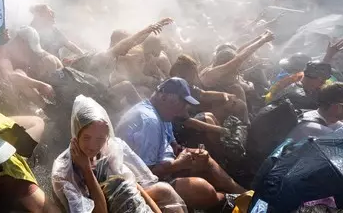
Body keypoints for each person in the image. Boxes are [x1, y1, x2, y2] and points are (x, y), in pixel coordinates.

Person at [116, 78, 246, 210]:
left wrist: (184, 152)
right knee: (202, 190)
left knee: (204, 159)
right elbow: (146, 174)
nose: (183, 109)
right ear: (163, 97)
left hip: (166, 168)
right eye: (181, 103)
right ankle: (228, 201)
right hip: (147, 185)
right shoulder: (149, 122)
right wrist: (178, 164)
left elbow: (172, 145)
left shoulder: (163, 114)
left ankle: (243, 194)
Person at [52, 95, 187, 213]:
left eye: (100, 139)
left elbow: (134, 186)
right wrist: (86, 169)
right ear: (76, 134)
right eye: (86, 138)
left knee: (164, 190)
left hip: (121, 203)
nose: (93, 146)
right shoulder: (64, 171)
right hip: (100, 206)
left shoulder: (111, 147)